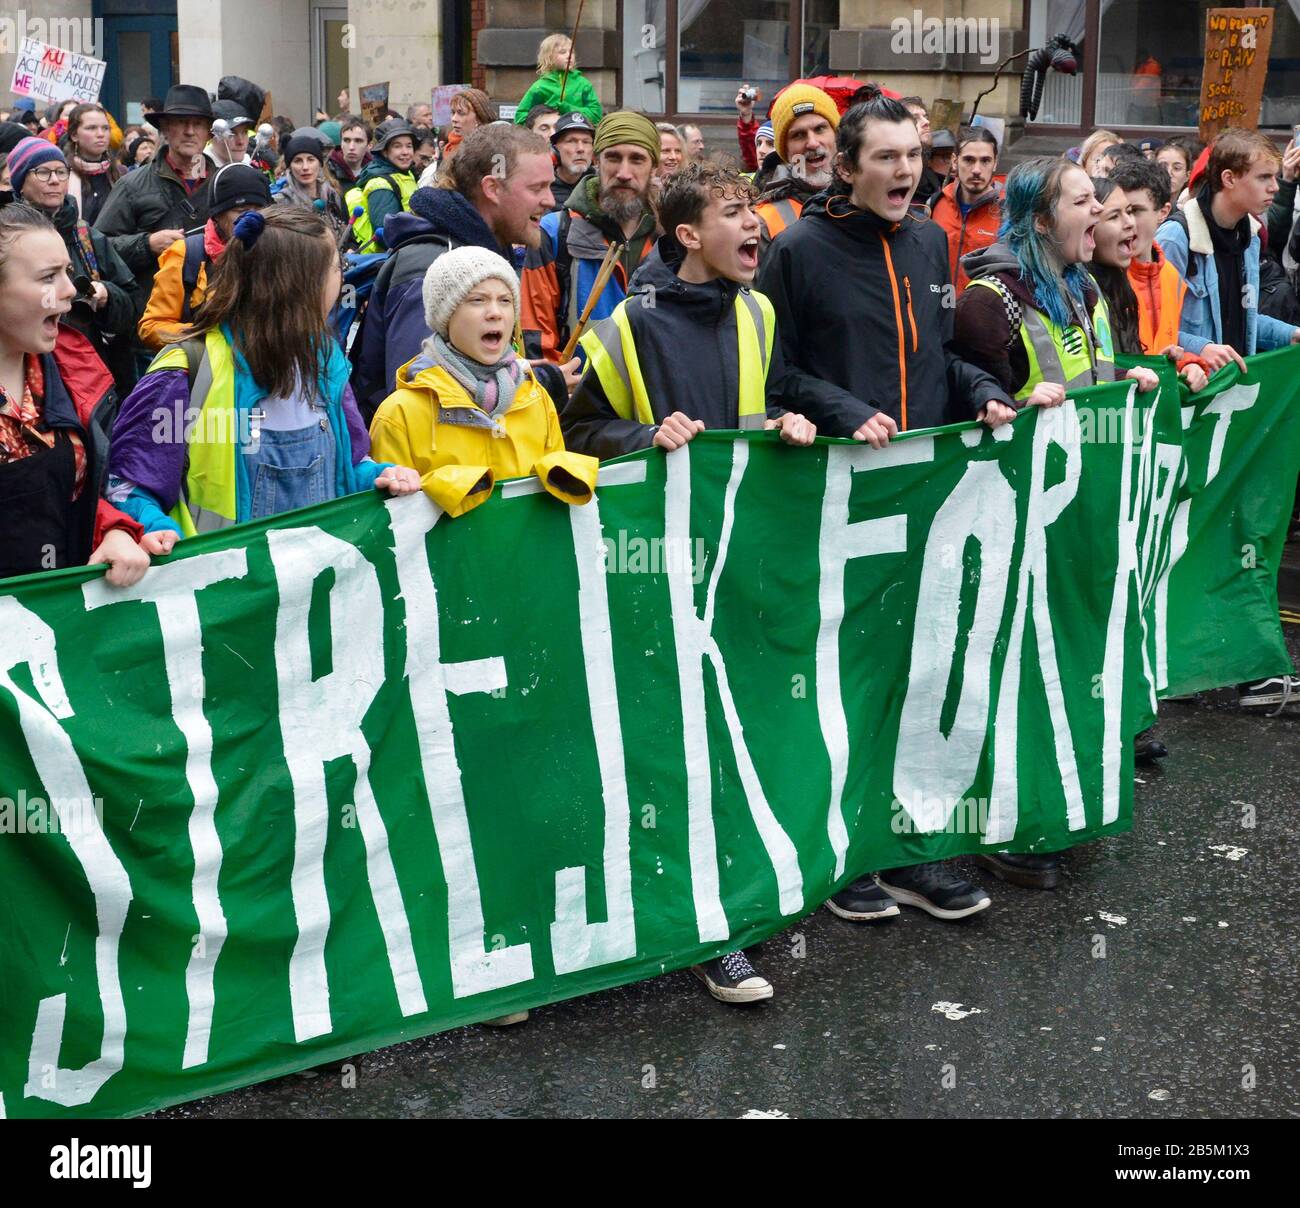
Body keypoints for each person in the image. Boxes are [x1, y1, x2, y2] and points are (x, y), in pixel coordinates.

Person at [563, 163, 815, 1002]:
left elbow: (772, 401)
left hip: (740, 565)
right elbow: (573, 434)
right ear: (686, 237)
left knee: (736, 736)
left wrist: (793, 421)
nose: (756, 228)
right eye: (734, 214)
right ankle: (695, 927)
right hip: (652, 570)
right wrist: (641, 435)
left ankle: (729, 912)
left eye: (755, 213)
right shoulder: (623, 328)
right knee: (669, 749)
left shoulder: (763, 311)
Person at [758, 89, 1007, 923]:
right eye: (888, 158)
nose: (907, 172)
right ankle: (844, 853)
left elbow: (940, 355)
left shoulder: (934, 241)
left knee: (920, 671)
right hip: (838, 494)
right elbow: (775, 376)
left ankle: (910, 847)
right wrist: (843, 411)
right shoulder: (795, 250)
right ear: (848, 165)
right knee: (846, 677)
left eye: (915, 157)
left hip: (927, 494)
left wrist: (980, 394)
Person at [953, 158, 1164, 883]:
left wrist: (1127, 374)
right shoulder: (990, 301)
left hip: (1078, 521)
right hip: (1013, 521)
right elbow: (960, 398)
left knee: (1063, 670)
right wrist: (1004, 401)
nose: (1103, 215)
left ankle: (1052, 805)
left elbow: (1091, 377)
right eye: (1084, 203)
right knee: (1009, 672)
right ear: (1042, 220)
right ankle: (1000, 826)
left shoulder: (1085, 289)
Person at [108, 207, 421, 540]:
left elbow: (352, 463)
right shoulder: (188, 373)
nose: (342, 279)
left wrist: (381, 475)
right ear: (298, 286)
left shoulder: (327, 362)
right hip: (228, 585)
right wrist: (155, 528)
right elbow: (128, 487)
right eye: (335, 268)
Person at [1156, 128, 1300, 711]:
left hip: (1232, 407)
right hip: (1189, 408)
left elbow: (1241, 324)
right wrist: (1201, 350)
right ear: (1229, 179)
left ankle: (1247, 668)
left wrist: (1289, 334)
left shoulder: (1249, 235)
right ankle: (1178, 662)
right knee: (1186, 538)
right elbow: (1157, 330)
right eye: (1265, 178)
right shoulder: (1175, 237)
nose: (1276, 188)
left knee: (1243, 533)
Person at [370, 246, 597, 528]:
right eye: (477, 300)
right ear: (446, 317)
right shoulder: (399, 414)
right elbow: (389, 527)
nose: (495, 313)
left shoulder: (535, 396)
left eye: (505, 300)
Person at [0, 204, 155, 585]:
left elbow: (71, 497)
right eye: (48, 277)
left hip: (59, 626)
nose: (71, 290)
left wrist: (112, 531)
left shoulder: (72, 374)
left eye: (67, 272)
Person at [355, 124, 557, 413]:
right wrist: (542, 387)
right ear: (492, 188)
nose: (550, 200)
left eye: (550, 186)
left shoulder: (485, 252)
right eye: (537, 187)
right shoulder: (431, 267)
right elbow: (421, 398)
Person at [521, 111, 660, 371]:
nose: (624, 172)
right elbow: (536, 337)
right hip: (577, 403)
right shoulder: (553, 233)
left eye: (637, 160)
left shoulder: (673, 239)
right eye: (613, 158)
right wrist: (558, 386)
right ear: (596, 160)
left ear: (654, 166)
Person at [8, 138, 142, 393]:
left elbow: (132, 303)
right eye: (43, 172)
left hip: (88, 376)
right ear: (21, 183)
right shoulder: (8, 238)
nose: (55, 180)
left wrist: (106, 296)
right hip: (25, 376)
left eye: (61, 171)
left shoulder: (86, 236)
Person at [93, 84, 215, 298]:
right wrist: (146, 244)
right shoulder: (131, 185)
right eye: (181, 122)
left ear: (208, 133)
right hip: (154, 313)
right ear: (165, 128)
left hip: (214, 311)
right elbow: (98, 247)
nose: (190, 131)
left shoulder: (223, 184)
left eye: (198, 124)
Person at [139, 163, 273, 350]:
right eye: (240, 211)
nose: (251, 218)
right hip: (206, 372)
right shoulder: (186, 253)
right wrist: (207, 337)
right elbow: (153, 327)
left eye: (258, 210)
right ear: (218, 215)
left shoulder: (275, 253)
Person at [1109, 156, 1210, 390]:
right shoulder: (1099, 277)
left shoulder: (1173, 276)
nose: (1126, 223)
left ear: (1163, 211)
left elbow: (1165, 348)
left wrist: (1187, 364)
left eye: (1134, 211)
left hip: (1155, 411)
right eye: (1116, 213)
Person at [752, 83, 840, 259]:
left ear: (837, 136)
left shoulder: (868, 204)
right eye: (798, 135)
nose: (813, 143)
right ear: (785, 151)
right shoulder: (765, 222)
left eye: (820, 129)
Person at [927, 126, 1002, 294]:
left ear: (995, 162)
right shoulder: (934, 204)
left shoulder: (1008, 212)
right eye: (969, 160)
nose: (976, 169)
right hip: (939, 310)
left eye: (985, 161)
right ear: (955, 161)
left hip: (981, 313)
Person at [347, 118, 419, 252]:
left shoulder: (405, 173)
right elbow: (387, 235)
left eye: (409, 146)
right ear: (384, 151)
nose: (405, 152)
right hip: (387, 262)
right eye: (397, 146)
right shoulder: (380, 185)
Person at [513, 33, 603, 128]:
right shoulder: (540, 87)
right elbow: (520, 118)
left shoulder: (583, 84)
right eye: (563, 52)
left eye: (571, 52)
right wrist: (541, 122)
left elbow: (596, 116)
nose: (569, 56)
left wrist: (568, 108)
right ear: (549, 56)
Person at [271, 129, 347, 234]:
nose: (305, 167)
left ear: (320, 164)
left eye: (311, 160)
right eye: (298, 161)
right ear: (289, 167)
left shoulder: (333, 196)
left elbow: (349, 234)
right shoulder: (280, 202)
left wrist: (350, 248)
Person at [60, 103, 124, 226]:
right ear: (74, 135)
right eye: (91, 128)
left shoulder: (121, 174)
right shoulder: (61, 175)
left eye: (105, 128)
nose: (100, 134)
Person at [548, 111, 595, 212]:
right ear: (555, 150)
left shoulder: (600, 187)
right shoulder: (542, 187)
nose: (581, 149)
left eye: (586, 142)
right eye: (571, 141)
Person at [901, 96, 943, 207]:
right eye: (915, 118)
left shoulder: (930, 173)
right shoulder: (898, 173)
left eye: (925, 116)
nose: (927, 122)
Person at [443, 88, 494, 165]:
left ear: (479, 118)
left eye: (461, 113)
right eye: (453, 112)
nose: (454, 119)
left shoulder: (490, 149)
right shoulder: (448, 147)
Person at [207, 100, 254, 167]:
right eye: (231, 133)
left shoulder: (249, 162)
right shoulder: (199, 170)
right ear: (211, 134)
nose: (241, 142)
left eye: (245, 132)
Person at [331, 115, 372, 190]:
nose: (351, 147)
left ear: (369, 145)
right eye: (346, 140)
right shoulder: (329, 170)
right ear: (341, 143)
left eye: (358, 141)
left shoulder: (375, 172)